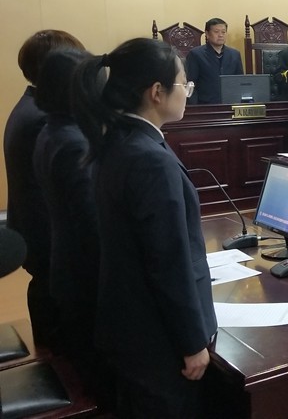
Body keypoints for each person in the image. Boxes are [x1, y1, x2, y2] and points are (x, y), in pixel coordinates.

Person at [71, 38, 217, 417]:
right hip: (156, 337)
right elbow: (166, 262)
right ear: (156, 92)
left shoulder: (117, 139)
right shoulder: (150, 159)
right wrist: (192, 341)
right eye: (184, 84)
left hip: (129, 322)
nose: (187, 92)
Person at [32, 47, 113, 405]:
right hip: (86, 278)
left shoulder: (54, 129)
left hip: (68, 267)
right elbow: (93, 225)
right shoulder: (74, 143)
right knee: (102, 381)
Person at [3, 29, 84, 349]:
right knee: (63, 342)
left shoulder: (29, 105)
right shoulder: (44, 117)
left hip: (35, 232)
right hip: (49, 237)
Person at [184, 17, 244, 105]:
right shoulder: (195, 54)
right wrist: (195, 108)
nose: (220, 35)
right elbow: (191, 83)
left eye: (223, 32)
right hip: (205, 104)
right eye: (216, 32)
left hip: (230, 103)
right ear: (207, 34)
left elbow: (240, 81)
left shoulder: (235, 54)